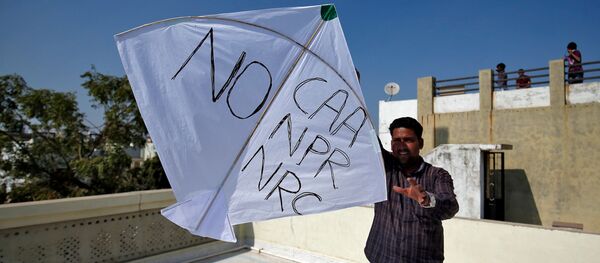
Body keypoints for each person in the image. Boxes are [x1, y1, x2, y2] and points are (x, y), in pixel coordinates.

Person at [365, 117, 459, 263]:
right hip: (380, 256)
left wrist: (426, 199)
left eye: (408, 140)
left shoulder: (437, 175)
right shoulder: (384, 167)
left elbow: (450, 207)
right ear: (391, 144)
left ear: (420, 143)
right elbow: (365, 134)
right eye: (396, 141)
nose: (401, 146)